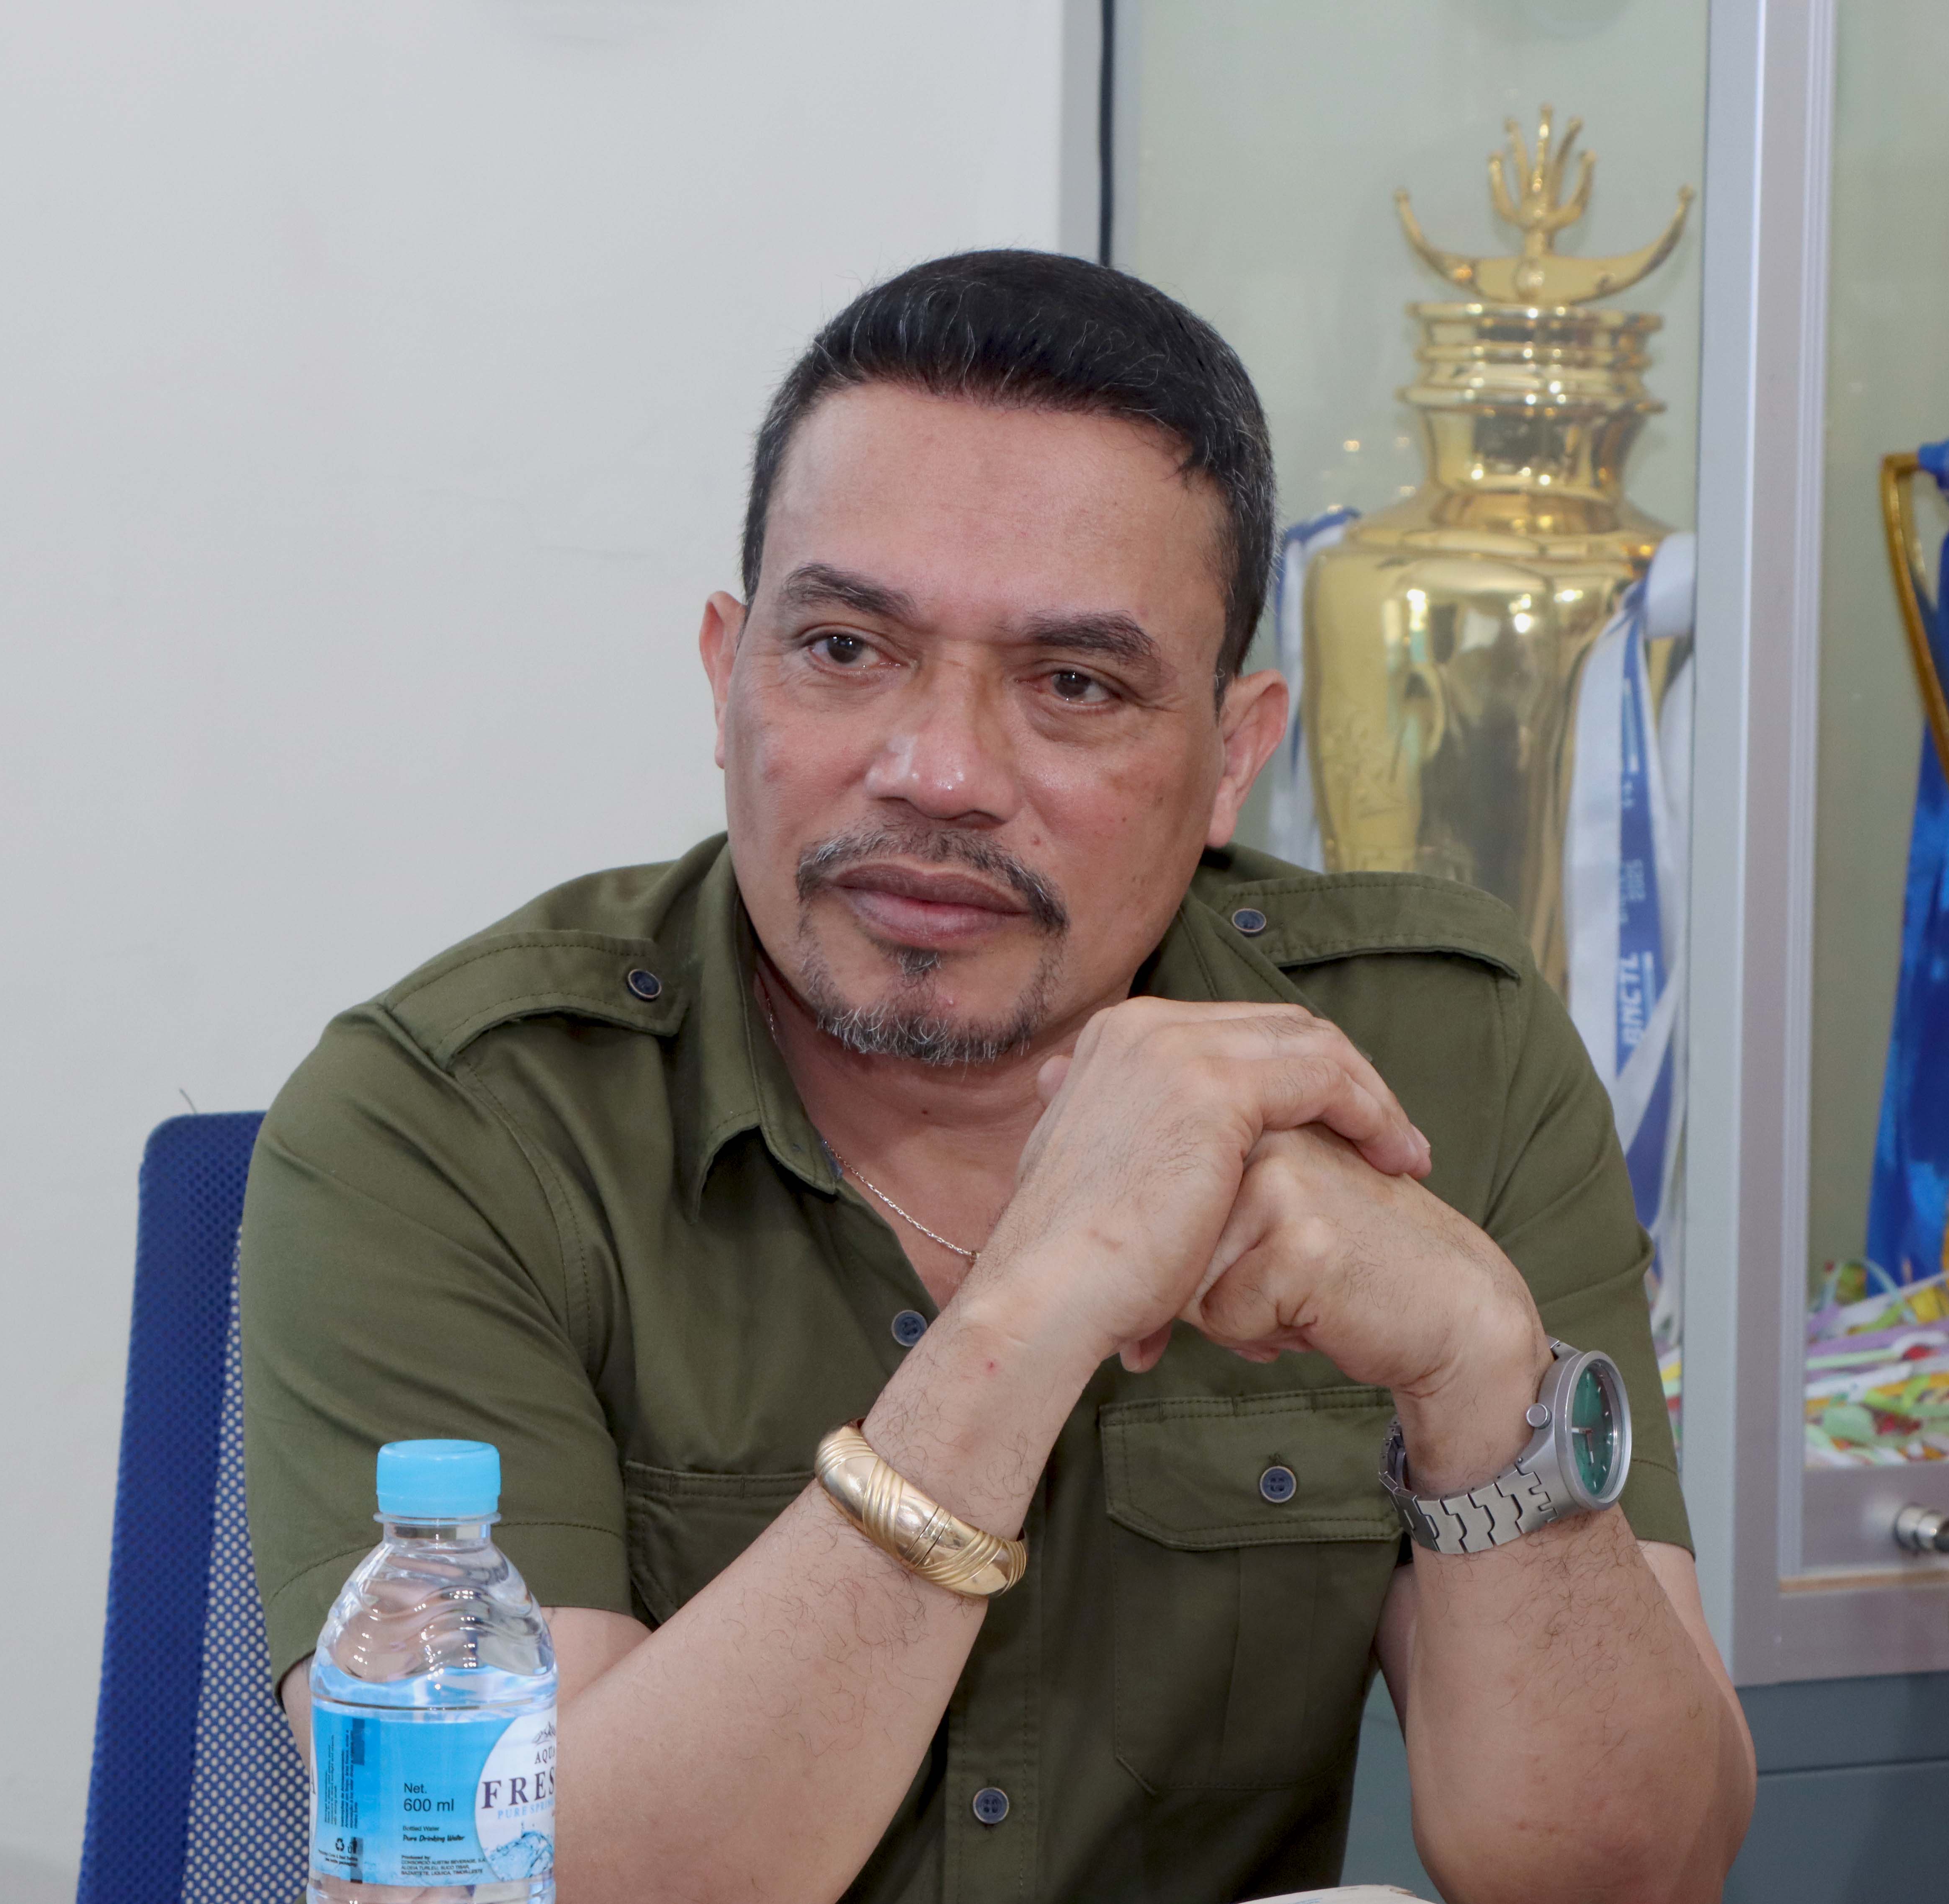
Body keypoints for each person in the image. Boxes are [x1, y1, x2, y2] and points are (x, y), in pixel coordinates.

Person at [242, 248, 1755, 1903]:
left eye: (1076, 684)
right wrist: (1029, 1310)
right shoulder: (450, 1119)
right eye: (844, 648)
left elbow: (1633, 1874)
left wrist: (1479, 1376)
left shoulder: (1431, 1056)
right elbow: (515, 1885)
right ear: (727, 676)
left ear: (1237, 753)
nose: (939, 771)